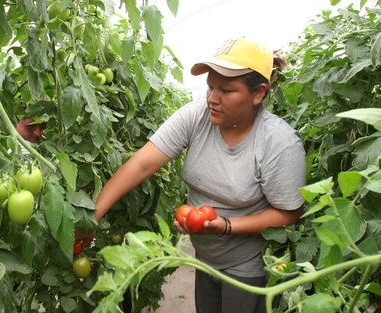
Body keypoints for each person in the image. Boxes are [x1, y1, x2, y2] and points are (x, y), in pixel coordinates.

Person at [78, 36, 307, 313]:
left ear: (258, 93)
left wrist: (225, 226)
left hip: (248, 267)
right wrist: (94, 215)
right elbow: (141, 164)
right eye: (210, 87)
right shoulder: (196, 116)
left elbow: (289, 213)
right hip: (205, 257)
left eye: (226, 90)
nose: (212, 98)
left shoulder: (278, 143)